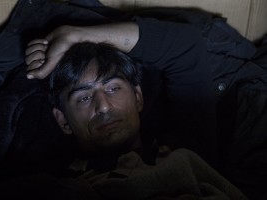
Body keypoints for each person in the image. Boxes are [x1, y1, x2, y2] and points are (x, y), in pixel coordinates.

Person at [25, 18, 219, 166]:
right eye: (84, 97)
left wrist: (75, 35)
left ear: (138, 97)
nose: (103, 106)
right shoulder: (51, 187)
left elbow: (186, 45)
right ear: (63, 121)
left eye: (113, 88)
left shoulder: (186, 151)